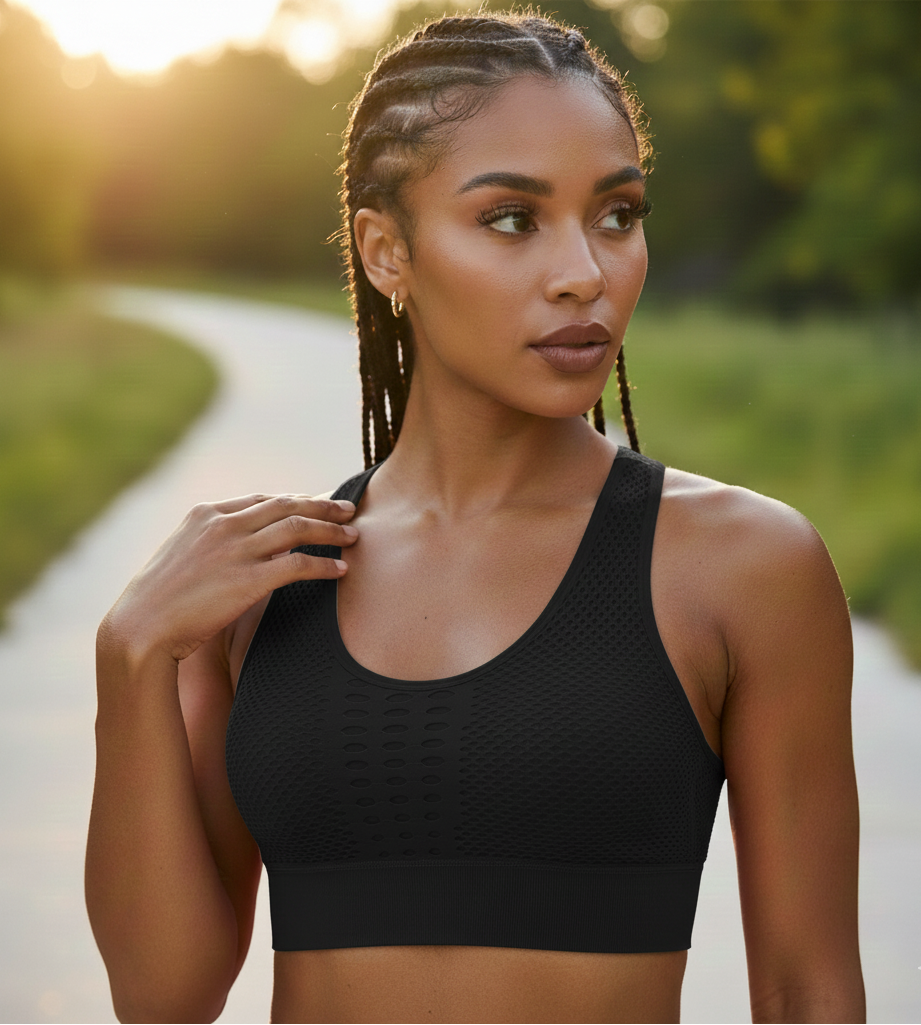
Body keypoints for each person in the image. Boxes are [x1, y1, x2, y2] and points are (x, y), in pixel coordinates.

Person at [85, 11, 865, 1024]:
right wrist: (130, 655)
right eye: (512, 219)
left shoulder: (743, 567)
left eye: (617, 214)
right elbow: (162, 994)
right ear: (384, 250)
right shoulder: (264, 582)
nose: (583, 269)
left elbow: (809, 989)